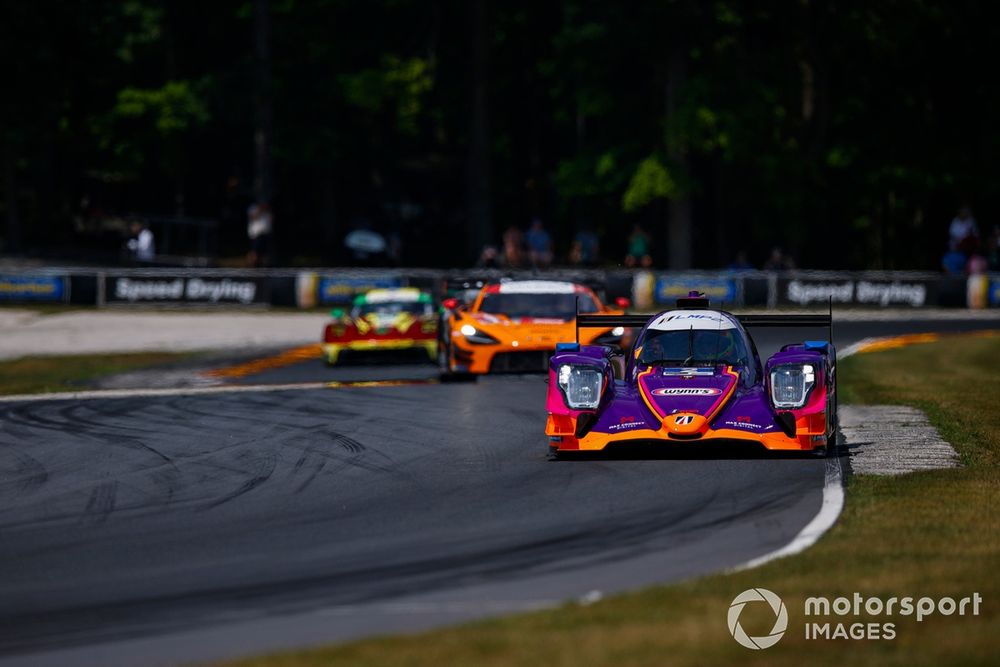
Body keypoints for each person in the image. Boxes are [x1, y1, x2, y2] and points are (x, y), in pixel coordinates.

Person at [247, 202, 273, 267]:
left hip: (266, 234)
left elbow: (271, 220)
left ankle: (263, 266)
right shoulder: (253, 207)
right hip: (256, 234)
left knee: (264, 253)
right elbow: (252, 217)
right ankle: (252, 265)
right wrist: (260, 210)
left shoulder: (268, 210)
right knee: (254, 251)